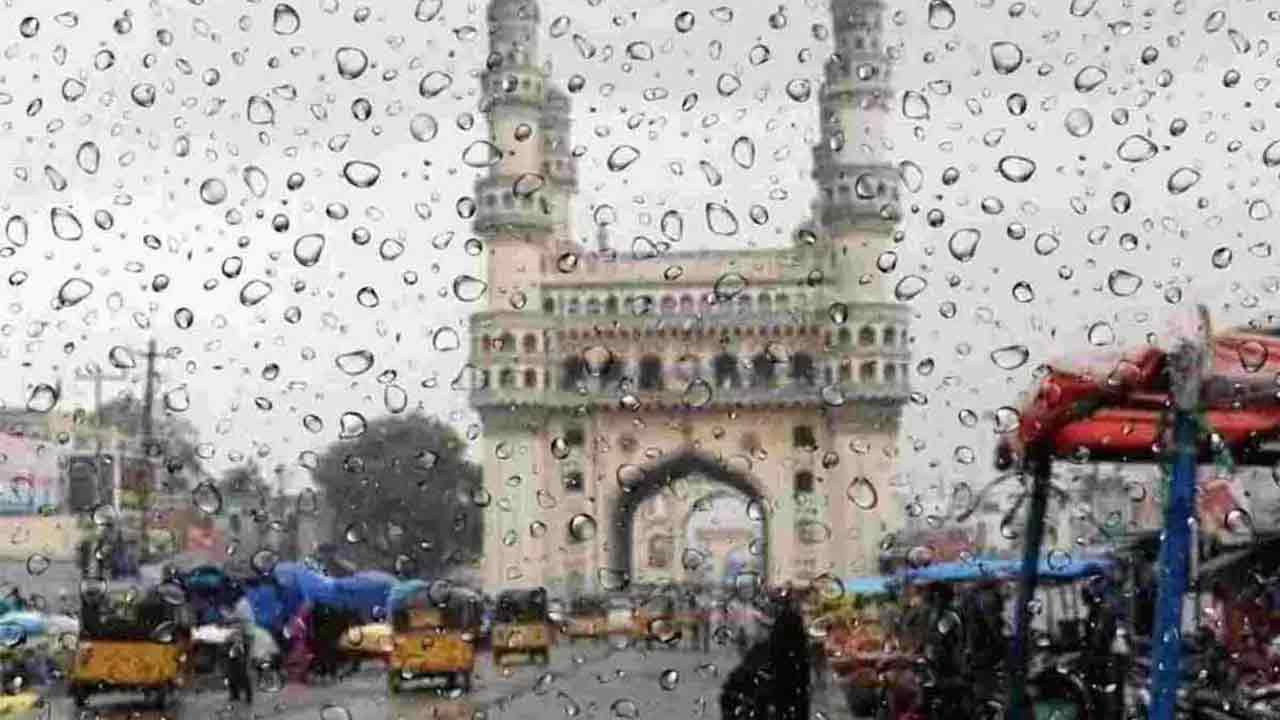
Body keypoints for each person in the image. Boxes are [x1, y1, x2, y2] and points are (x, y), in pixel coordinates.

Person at [769, 595, 811, 720]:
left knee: (782, 705)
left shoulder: (779, 622)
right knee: (798, 705)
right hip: (796, 671)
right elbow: (802, 647)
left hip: (782, 671)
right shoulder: (796, 620)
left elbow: (773, 649)